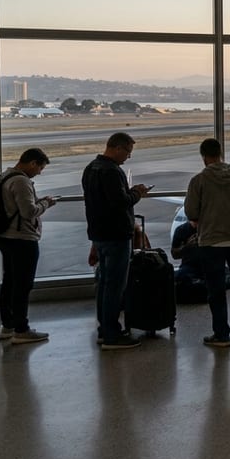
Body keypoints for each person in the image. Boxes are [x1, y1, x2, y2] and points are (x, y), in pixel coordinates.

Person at [186, 137, 230, 348]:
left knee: (216, 290)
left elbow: (191, 212)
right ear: (220, 153)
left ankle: (222, 335)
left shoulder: (198, 181)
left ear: (204, 157)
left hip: (211, 242)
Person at [82, 132, 150, 350]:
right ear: (118, 148)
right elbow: (119, 202)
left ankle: (104, 329)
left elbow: (100, 202)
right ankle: (112, 334)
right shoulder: (112, 171)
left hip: (98, 234)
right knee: (115, 286)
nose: (127, 158)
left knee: (103, 284)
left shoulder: (91, 168)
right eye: (127, 152)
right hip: (116, 235)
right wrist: (137, 194)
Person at [0, 148, 57, 344]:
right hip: (22, 239)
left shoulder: (4, 176)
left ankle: (8, 325)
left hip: (5, 236)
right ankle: (21, 329)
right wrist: (46, 203)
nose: (39, 172)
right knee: (22, 285)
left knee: (10, 282)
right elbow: (28, 212)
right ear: (32, 163)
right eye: (40, 168)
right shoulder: (21, 181)